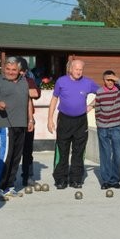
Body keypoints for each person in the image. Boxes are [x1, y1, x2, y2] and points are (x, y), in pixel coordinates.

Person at [47, 59, 99, 189]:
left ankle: (76, 179)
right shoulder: (61, 81)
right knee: (62, 149)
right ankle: (60, 179)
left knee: (79, 150)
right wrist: (49, 119)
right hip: (64, 119)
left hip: (81, 121)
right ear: (70, 69)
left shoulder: (88, 82)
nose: (79, 72)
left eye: (81, 69)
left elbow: (102, 93)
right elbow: (54, 99)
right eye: (76, 69)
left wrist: (91, 105)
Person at [0, 57, 33, 198]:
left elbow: (28, 101)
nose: (11, 72)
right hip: (5, 125)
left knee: (15, 158)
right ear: (4, 69)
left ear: (19, 71)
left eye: (14, 70)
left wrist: (30, 120)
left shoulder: (24, 82)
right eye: (8, 69)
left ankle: (9, 186)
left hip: (22, 124)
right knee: (5, 157)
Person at [95, 70, 120, 189]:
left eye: (111, 80)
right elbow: (98, 109)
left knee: (118, 154)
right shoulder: (99, 92)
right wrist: (99, 123)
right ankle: (106, 180)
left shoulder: (119, 90)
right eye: (107, 80)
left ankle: (115, 180)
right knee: (105, 154)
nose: (109, 82)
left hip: (117, 127)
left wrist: (117, 80)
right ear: (103, 80)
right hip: (103, 128)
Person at [19, 58, 41, 187]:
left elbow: (36, 93)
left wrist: (22, 91)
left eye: (22, 71)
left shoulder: (29, 81)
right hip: (11, 120)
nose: (20, 73)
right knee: (12, 152)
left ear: (26, 71)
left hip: (28, 120)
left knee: (28, 151)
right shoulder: (7, 81)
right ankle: (7, 179)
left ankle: (28, 176)